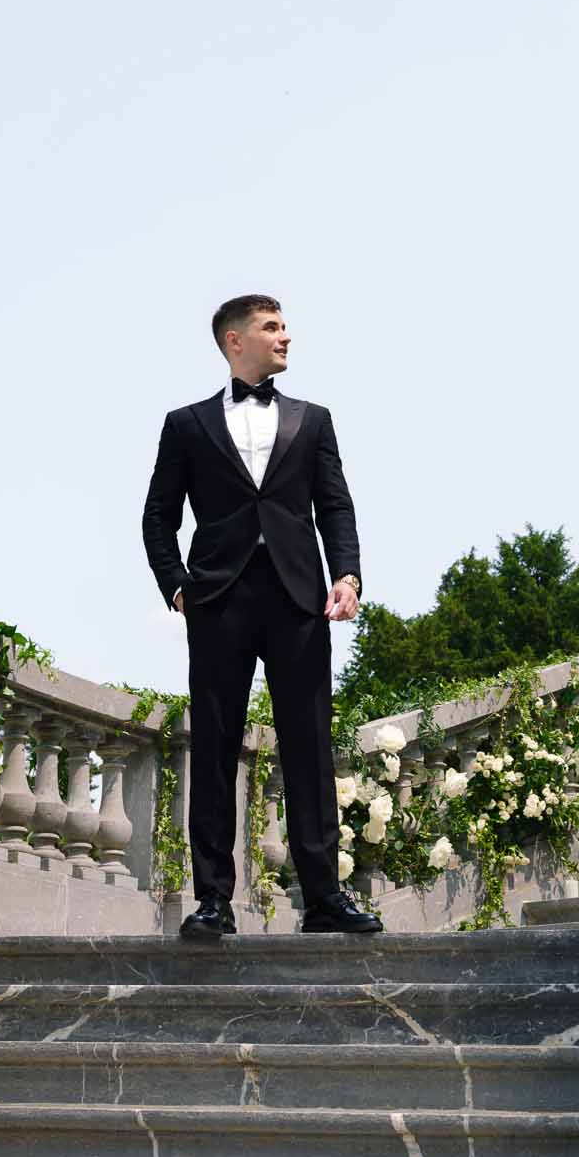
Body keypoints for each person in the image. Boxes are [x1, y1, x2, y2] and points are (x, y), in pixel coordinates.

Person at [141, 294, 383, 939]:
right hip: (218, 600)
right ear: (234, 340)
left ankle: (325, 898)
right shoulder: (186, 424)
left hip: (298, 598)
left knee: (308, 746)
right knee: (214, 747)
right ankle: (213, 901)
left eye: (285, 327)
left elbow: (335, 506)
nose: (286, 338)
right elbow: (158, 517)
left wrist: (348, 576)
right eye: (272, 328)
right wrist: (177, 588)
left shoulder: (314, 419)